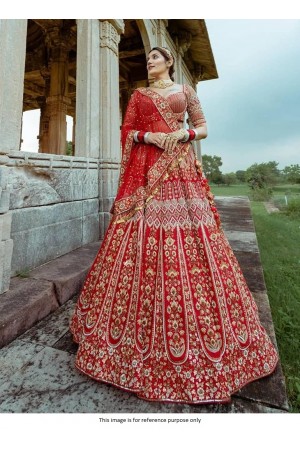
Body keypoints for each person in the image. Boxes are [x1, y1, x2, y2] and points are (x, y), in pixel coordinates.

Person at [70, 47, 278, 404]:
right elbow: (127, 131)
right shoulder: (139, 96)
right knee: (141, 237)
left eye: (155, 58)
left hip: (180, 168)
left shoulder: (185, 91)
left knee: (194, 236)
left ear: (168, 62)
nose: (149, 62)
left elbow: (203, 127)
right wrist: (148, 138)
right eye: (147, 59)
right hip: (149, 170)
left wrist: (183, 137)